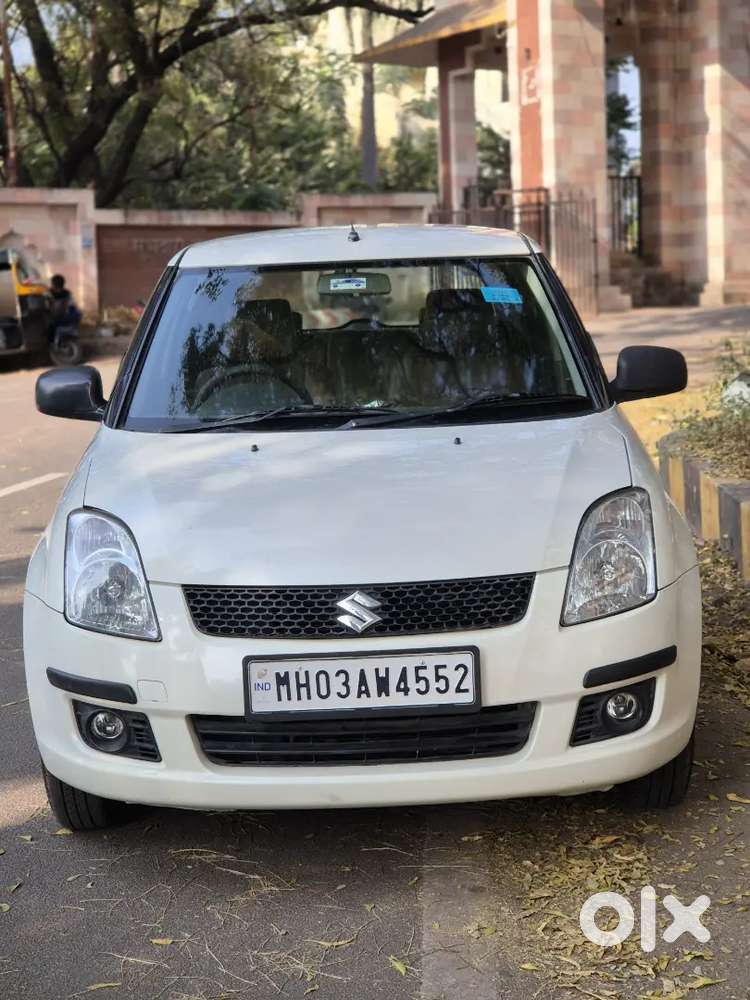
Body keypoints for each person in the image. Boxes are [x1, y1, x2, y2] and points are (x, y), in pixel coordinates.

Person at [48, 274, 82, 338]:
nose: (57, 289)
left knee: (77, 314)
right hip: (54, 318)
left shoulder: (67, 294)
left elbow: (73, 307)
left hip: (62, 317)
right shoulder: (48, 294)